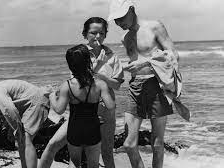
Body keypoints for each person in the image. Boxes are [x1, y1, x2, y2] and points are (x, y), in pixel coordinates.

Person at [38, 17, 124, 168]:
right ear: (85, 34)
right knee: (53, 144)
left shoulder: (112, 56)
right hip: (81, 115)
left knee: (107, 155)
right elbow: (79, 83)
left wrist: (102, 76)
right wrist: (98, 67)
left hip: (105, 113)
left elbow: (116, 85)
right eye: (93, 33)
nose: (98, 36)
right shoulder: (79, 53)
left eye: (102, 33)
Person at [107, 0, 180, 168]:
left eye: (121, 18)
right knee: (129, 144)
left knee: (157, 143)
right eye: (116, 20)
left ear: (131, 10)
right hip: (134, 87)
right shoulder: (124, 37)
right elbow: (134, 62)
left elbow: (174, 56)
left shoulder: (155, 26)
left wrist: (145, 64)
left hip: (156, 85)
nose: (118, 23)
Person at [49, 44, 116, 168]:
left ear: (70, 65)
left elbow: (59, 110)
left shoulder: (67, 85)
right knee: (93, 164)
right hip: (93, 128)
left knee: (74, 162)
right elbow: (111, 106)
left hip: (74, 129)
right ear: (88, 62)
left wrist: (52, 96)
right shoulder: (100, 84)